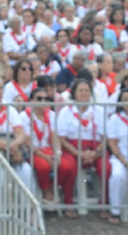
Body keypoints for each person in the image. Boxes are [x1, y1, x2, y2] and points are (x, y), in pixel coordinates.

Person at [57, 78, 110, 218]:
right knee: (69, 167)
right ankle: (68, 203)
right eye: (80, 90)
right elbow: (62, 138)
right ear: (74, 93)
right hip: (72, 149)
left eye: (87, 90)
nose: (84, 93)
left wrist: (96, 152)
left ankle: (104, 203)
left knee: (106, 167)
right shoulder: (66, 111)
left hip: (95, 148)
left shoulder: (99, 110)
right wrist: (78, 153)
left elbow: (105, 137)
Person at [21, 87, 72, 204]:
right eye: (39, 98)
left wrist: (58, 153)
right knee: (43, 166)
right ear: (31, 101)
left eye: (45, 98)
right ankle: (45, 190)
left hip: (49, 150)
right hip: (33, 151)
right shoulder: (24, 116)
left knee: (66, 166)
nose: (43, 101)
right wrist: (44, 156)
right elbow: (27, 141)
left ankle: (53, 188)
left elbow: (55, 137)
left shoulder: (52, 115)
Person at [106, 87, 128, 225]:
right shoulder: (115, 119)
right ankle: (115, 211)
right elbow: (112, 143)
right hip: (120, 157)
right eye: (125, 100)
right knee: (118, 176)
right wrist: (124, 161)